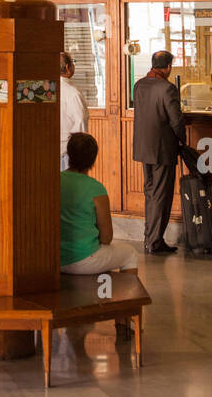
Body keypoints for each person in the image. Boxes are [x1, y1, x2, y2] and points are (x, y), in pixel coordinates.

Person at [132, 48, 187, 256]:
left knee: (150, 192)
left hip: (142, 147)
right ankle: (155, 241)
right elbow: (176, 120)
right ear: (169, 67)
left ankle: (149, 237)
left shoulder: (139, 85)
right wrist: (182, 140)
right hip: (162, 148)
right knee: (161, 195)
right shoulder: (167, 88)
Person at [60, 132, 138, 274]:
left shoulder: (55, 179)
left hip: (56, 258)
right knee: (130, 254)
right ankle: (129, 295)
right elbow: (106, 237)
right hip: (84, 259)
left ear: (69, 155)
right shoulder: (96, 189)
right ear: (93, 159)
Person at [59, 51, 89, 172]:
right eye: (73, 62)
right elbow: (80, 122)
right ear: (67, 67)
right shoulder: (73, 93)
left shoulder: (47, 91)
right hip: (68, 152)